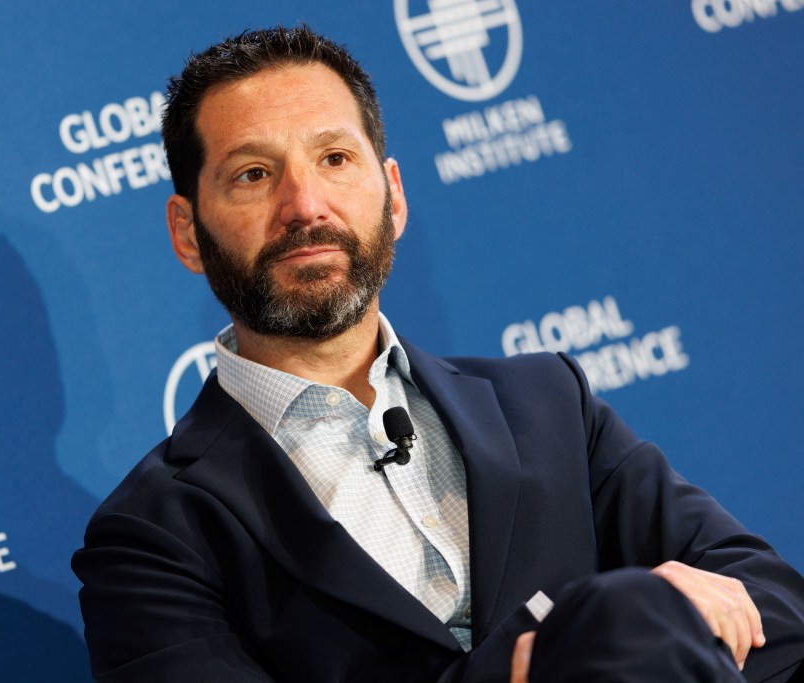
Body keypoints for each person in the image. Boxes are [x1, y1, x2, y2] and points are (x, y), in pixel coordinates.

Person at [72, 25, 804, 682]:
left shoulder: (545, 402)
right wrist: (592, 634)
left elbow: (773, 601)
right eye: (254, 174)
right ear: (188, 232)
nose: (305, 205)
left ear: (393, 197)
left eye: (334, 157)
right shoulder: (150, 536)